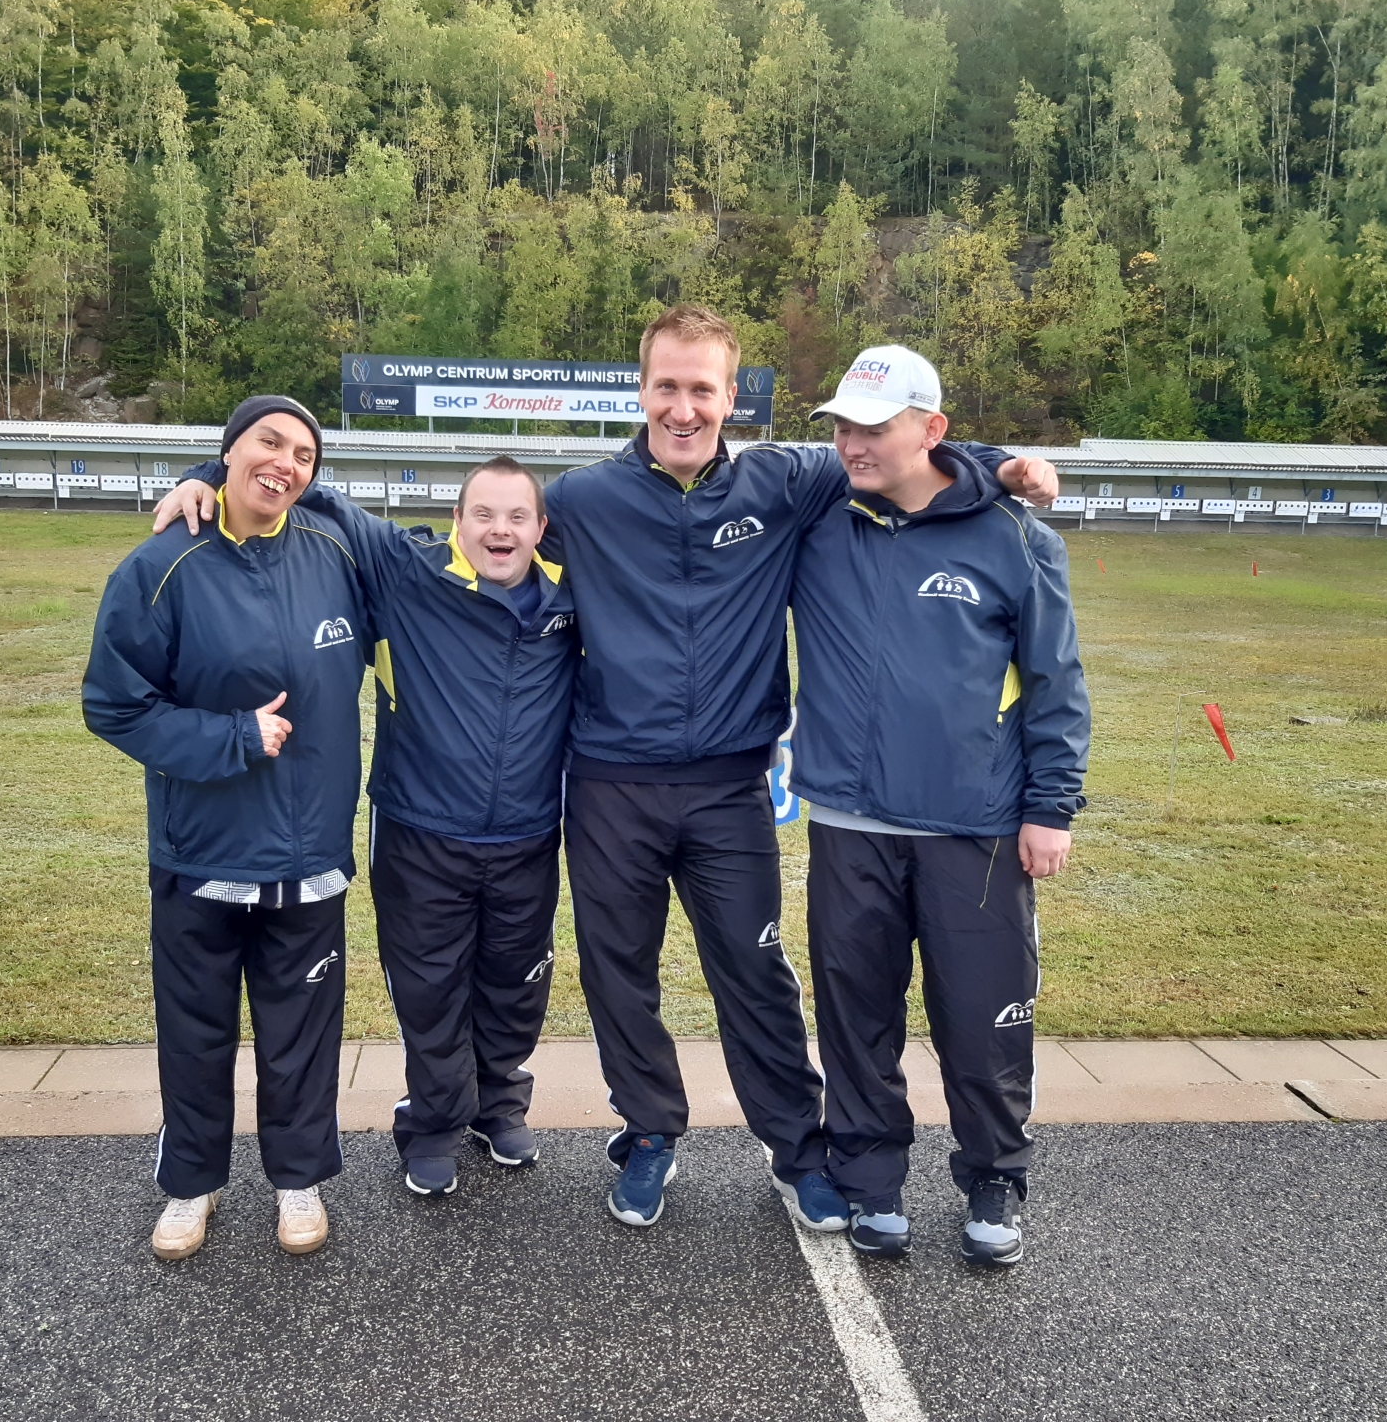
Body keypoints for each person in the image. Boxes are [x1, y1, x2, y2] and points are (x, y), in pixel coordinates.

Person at [153, 307, 1058, 1234]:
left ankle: (797, 1149)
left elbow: (902, 454)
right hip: (610, 785)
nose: (682, 407)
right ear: (642, 391)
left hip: (730, 787)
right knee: (620, 976)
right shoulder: (581, 501)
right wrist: (204, 476)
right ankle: (650, 1133)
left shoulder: (788, 479)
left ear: (731, 397)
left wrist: (1000, 465)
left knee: (755, 974)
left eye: (701, 389)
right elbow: (363, 510)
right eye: (666, 386)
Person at [789, 345, 1089, 1265]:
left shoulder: (1015, 537)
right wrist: (1002, 458)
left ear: (931, 429)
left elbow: (1056, 681)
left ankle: (994, 1175)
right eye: (842, 427)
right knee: (857, 1018)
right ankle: (870, 1178)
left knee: (982, 1014)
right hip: (850, 822)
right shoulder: (820, 517)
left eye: (874, 428)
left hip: (976, 827)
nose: (852, 444)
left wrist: (1052, 807)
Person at [84, 396, 369, 1261]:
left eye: (304, 455)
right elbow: (114, 704)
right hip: (201, 853)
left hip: (309, 855)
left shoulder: (338, 552)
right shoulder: (162, 564)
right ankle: (191, 1184)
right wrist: (231, 737)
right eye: (268, 443)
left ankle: (298, 1179)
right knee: (196, 1034)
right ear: (228, 450)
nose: (285, 463)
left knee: (301, 1039)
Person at [281, 458, 578, 1198]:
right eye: (484, 514)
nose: (499, 531)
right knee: (430, 987)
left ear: (541, 528)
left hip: (528, 834)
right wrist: (205, 475)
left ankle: (497, 1104)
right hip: (420, 829)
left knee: (515, 983)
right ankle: (435, 1122)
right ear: (457, 520)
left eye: (517, 517)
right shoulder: (406, 569)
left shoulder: (574, 595)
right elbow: (307, 487)